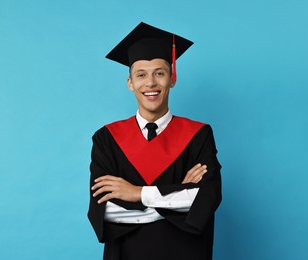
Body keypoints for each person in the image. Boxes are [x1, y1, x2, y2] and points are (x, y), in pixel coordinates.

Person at [88, 22, 222, 260]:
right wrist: (176, 197)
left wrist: (137, 194)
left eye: (159, 73)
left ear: (172, 79)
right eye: (141, 75)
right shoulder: (106, 139)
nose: (150, 83)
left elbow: (206, 199)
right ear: (130, 83)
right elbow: (104, 211)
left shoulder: (199, 135)